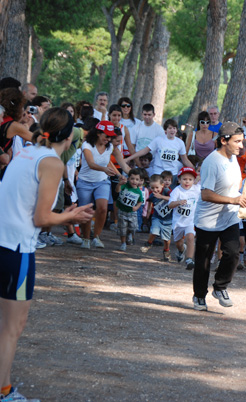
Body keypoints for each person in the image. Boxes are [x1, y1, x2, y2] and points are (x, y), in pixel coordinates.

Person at [0, 107, 94, 402]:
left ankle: (5, 388)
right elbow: (41, 219)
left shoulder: (27, 152)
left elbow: (29, 206)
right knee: (12, 328)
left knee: (6, 327)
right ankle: (3, 393)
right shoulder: (52, 162)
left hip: (4, 242)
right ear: (69, 139)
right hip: (16, 249)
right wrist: (69, 218)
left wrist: (61, 214)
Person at [192, 122, 246, 311]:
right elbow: (205, 194)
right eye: (237, 141)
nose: (241, 146)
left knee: (233, 253)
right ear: (224, 141)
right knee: (203, 260)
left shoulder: (233, 159)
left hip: (229, 217)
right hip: (208, 220)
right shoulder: (211, 162)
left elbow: (233, 188)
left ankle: (220, 287)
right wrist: (232, 200)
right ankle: (199, 295)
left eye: (242, 141)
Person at [77, 121, 127, 249]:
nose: (108, 139)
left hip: (102, 181)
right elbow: (91, 163)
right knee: (86, 210)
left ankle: (96, 237)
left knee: (103, 208)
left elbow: (113, 162)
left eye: (110, 136)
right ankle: (86, 238)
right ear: (98, 133)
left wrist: (121, 175)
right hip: (85, 182)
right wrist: (104, 169)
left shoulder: (109, 147)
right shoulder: (87, 145)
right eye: (106, 135)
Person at [126, 119, 194, 177]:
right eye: (170, 128)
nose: (172, 130)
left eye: (174, 128)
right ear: (165, 130)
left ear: (176, 130)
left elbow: (185, 160)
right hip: (158, 172)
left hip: (172, 174)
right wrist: (128, 159)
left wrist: (195, 170)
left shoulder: (180, 142)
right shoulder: (158, 140)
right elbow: (144, 151)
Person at [169, 167, 201, 270]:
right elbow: (170, 205)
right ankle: (181, 250)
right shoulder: (177, 190)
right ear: (179, 180)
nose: (187, 182)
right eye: (184, 179)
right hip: (178, 222)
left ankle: (189, 259)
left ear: (194, 181)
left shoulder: (197, 189)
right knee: (178, 243)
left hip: (190, 221)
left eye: (190, 179)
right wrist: (178, 202)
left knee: (190, 237)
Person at [141, 174, 173, 261]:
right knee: (154, 231)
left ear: (162, 185)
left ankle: (166, 251)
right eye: (152, 188)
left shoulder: (166, 191)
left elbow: (173, 198)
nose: (155, 190)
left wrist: (161, 197)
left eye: (157, 187)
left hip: (168, 219)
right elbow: (150, 203)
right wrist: (148, 212)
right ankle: (148, 243)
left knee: (166, 238)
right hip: (156, 217)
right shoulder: (152, 195)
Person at [115, 168, 144, 251]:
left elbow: (140, 201)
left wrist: (137, 207)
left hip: (132, 212)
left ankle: (130, 235)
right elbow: (117, 190)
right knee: (122, 228)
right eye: (132, 179)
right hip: (122, 211)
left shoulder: (138, 191)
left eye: (137, 179)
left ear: (139, 181)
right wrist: (119, 184)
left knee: (133, 227)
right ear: (128, 178)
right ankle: (123, 243)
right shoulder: (125, 185)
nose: (134, 181)